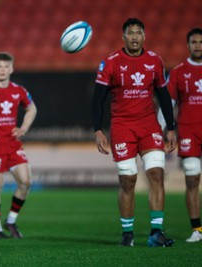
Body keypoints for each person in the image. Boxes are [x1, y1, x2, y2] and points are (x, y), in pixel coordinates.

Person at [92, 18, 176, 247]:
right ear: (124, 36)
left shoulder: (155, 61)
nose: (135, 37)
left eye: (139, 33)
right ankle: (127, 232)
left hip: (149, 126)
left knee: (157, 175)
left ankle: (156, 232)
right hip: (122, 127)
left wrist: (171, 127)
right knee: (128, 180)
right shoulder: (111, 62)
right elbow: (97, 100)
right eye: (131, 33)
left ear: (144, 36)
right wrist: (98, 130)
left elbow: (164, 97)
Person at [0, 52, 37, 239]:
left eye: (6, 66)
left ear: (12, 68)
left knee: (26, 182)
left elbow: (32, 108)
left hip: (13, 144)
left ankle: (11, 220)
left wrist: (23, 128)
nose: (3, 70)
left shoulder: (18, 90)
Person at [164, 28, 202, 242]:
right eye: (194, 42)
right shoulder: (178, 72)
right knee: (192, 178)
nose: (198, 45)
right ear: (188, 45)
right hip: (188, 130)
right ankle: (197, 230)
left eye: (201, 42)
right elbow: (168, 103)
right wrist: (166, 127)